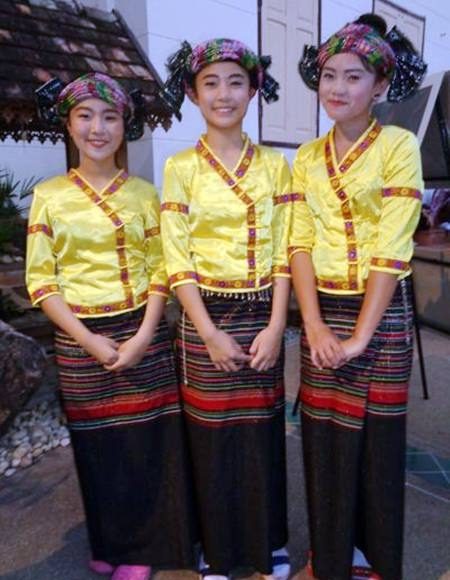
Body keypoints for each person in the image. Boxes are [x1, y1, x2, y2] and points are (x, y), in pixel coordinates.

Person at [27, 72, 197, 580]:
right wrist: (87, 339)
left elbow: (161, 268)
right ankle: (109, 540)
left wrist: (144, 335)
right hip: (79, 338)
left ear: (126, 125)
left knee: (147, 445)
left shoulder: (144, 195)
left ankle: (144, 548)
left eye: (109, 117)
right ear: (68, 124)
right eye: (85, 116)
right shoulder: (49, 196)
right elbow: (42, 281)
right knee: (97, 448)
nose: (97, 128)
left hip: (143, 329)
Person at [289, 14, 427, 580]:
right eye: (329, 75)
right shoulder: (306, 156)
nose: (337, 88)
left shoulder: (398, 146)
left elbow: (392, 247)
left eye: (353, 76)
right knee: (322, 441)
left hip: (381, 312)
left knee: (377, 446)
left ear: (380, 86)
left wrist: (360, 337)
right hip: (323, 311)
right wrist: (315, 326)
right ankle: (329, 558)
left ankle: (373, 561)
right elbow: (298, 243)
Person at [160, 39, 292, 580]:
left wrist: (278, 325)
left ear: (253, 90)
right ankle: (216, 551)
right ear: (193, 94)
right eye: (210, 83)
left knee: (262, 434)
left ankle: (268, 545)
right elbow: (177, 257)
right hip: (203, 317)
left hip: (263, 312)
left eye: (236, 82)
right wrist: (209, 332)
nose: (224, 94)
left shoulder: (276, 166)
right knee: (210, 439)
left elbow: (286, 251)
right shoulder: (180, 167)